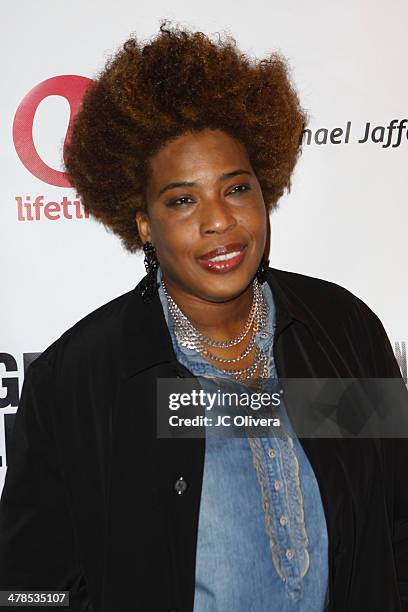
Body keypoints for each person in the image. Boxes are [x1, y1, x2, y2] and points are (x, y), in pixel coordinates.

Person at [0, 22, 407, 612]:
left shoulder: (341, 332)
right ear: (143, 221)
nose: (218, 221)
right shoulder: (80, 383)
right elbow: (27, 591)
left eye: (236, 188)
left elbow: (397, 525)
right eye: (183, 199)